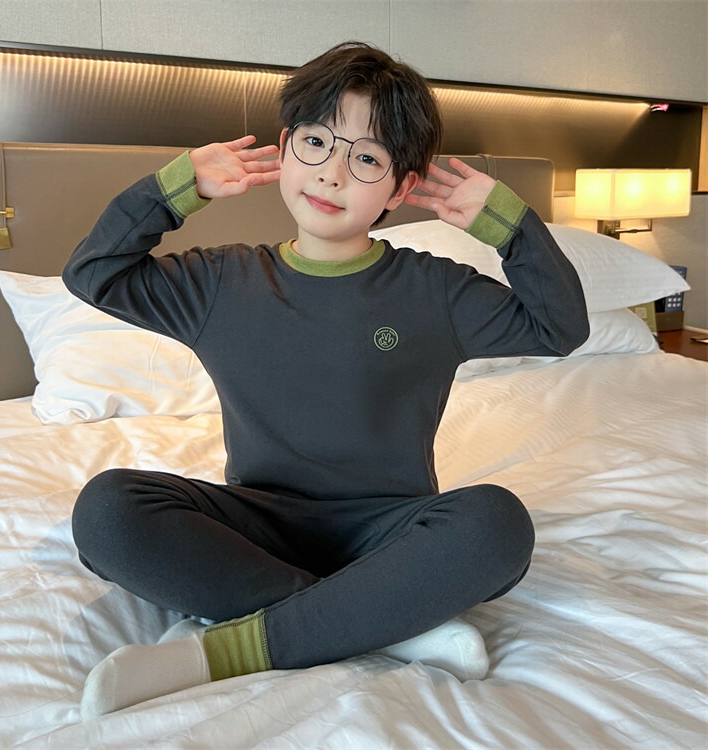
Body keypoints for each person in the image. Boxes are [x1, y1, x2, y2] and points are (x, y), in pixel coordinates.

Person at [63, 41, 589, 719]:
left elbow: (559, 327)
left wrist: (512, 227)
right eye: (316, 142)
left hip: (390, 533)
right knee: (108, 510)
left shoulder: (433, 290)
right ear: (285, 148)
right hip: (257, 524)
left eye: (366, 159)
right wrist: (175, 188)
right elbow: (94, 272)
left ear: (402, 188)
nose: (332, 174)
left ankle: (232, 648)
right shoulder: (221, 282)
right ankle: (390, 625)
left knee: (496, 524)